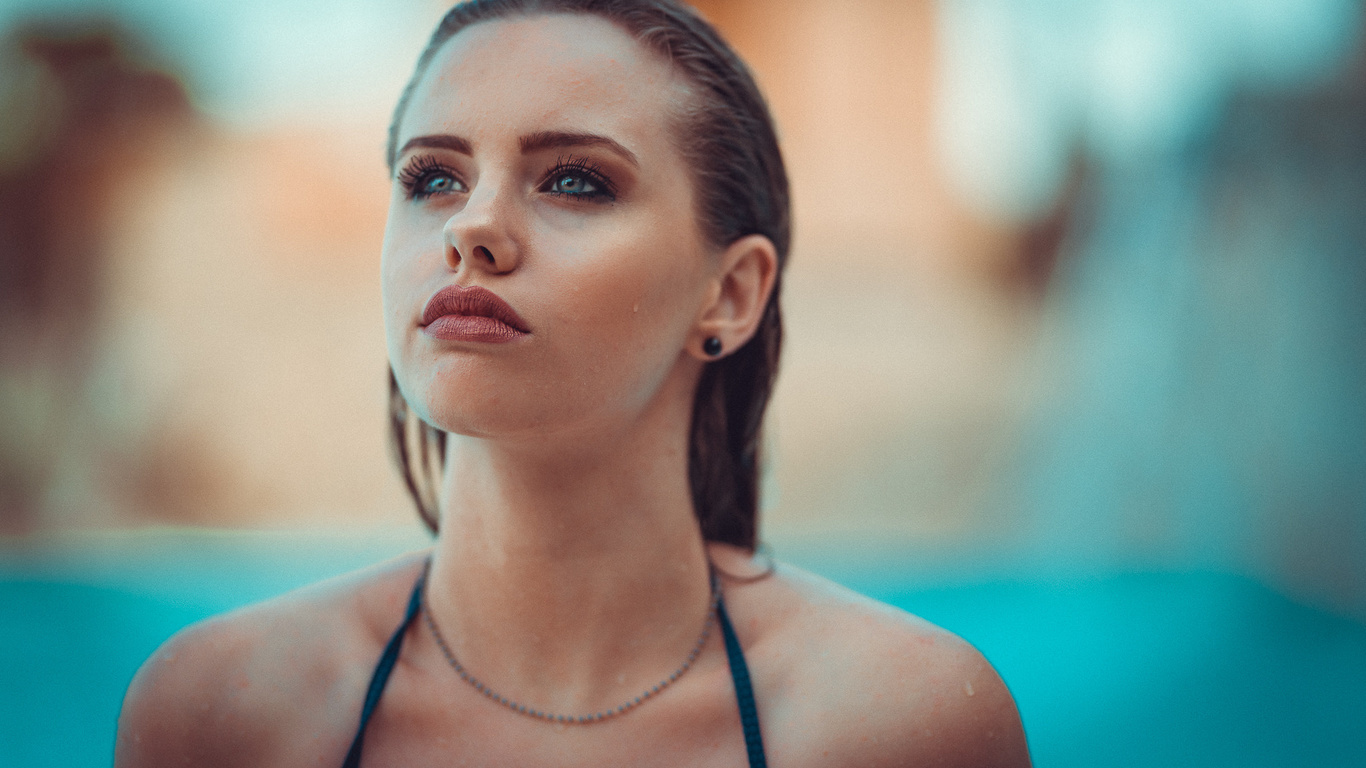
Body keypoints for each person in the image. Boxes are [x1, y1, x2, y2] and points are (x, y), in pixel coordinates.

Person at [114, 1, 1031, 765]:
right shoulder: (220, 714)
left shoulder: (899, 723)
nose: (472, 228)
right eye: (432, 176)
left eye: (577, 182)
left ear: (731, 294)